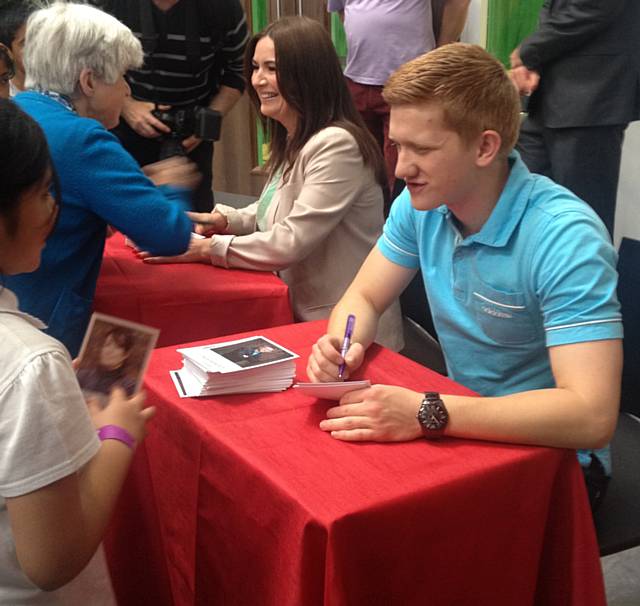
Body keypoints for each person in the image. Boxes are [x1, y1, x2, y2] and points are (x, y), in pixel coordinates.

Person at [307, 43, 623, 511]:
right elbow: (365, 298)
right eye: (397, 144)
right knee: (331, 487)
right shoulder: (424, 206)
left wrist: (425, 410)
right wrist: (343, 343)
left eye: (423, 149)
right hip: (459, 427)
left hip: (555, 463)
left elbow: (590, 415)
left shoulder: (564, 237)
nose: (401, 167)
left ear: (485, 146)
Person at [144, 16, 404, 350]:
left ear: (307, 74)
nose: (257, 80)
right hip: (306, 317)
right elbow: (273, 208)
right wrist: (226, 220)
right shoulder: (297, 135)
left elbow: (290, 240)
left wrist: (208, 249)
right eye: (254, 68)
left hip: (347, 332)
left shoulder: (336, 143)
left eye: (271, 68)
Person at [0, 97, 155, 605]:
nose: (53, 209)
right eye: (44, 192)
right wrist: (118, 434)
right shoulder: (30, 365)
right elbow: (53, 559)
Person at [6, 1, 196, 357]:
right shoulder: (84, 139)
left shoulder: (15, 113)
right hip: (47, 326)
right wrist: (172, 187)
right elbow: (168, 235)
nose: (127, 91)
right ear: (89, 80)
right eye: (123, 76)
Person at [92, 0, 249, 212]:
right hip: (122, 126)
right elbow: (88, 65)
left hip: (191, 133)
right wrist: (127, 107)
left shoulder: (222, 7)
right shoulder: (108, 5)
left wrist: (208, 120)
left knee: (196, 221)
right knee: (123, 216)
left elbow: (240, 70)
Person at [509, 0, 640, 237]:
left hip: (592, 100)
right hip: (547, 98)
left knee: (581, 222)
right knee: (517, 199)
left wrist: (529, 52)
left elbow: (595, 7)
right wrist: (534, 58)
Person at [327, 0, 471, 199]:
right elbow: (343, 11)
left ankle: (401, 225)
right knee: (359, 165)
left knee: (403, 172)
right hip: (356, 80)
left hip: (409, 84)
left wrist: (440, 54)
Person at [77, 327, 138, 398]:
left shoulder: (129, 386)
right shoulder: (82, 375)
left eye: (117, 347)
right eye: (107, 345)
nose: (109, 351)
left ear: (125, 354)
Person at [0, 0, 37, 97]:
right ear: (7, 51)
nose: (37, 48)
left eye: (41, 38)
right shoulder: (6, 94)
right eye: (25, 43)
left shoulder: (57, 84)